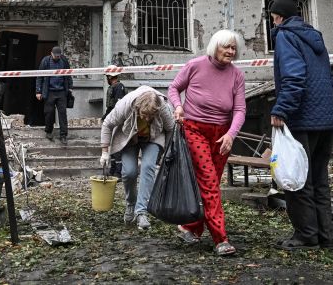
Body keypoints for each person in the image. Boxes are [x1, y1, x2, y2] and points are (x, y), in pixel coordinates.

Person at [269, 0, 333, 250]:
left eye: (274, 17)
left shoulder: (286, 36)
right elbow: (331, 82)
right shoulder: (314, 37)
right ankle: (326, 236)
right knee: (320, 180)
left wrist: (281, 108)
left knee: (297, 179)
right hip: (325, 119)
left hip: (302, 118)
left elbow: (294, 76)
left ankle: (306, 236)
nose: (273, 21)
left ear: (280, 17)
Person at [168, 29, 246, 257]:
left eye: (234, 48)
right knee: (210, 182)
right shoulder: (195, 65)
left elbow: (240, 109)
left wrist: (231, 134)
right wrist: (178, 106)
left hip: (222, 135)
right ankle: (221, 239)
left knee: (209, 183)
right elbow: (173, 88)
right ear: (215, 47)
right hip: (195, 130)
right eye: (227, 47)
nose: (231, 51)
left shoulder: (237, 75)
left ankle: (190, 227)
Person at [99, 86, 174, 230]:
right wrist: (104, 151)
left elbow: (170, 128)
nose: (146, 118)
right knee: (129, 172)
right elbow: (107, 124)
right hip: (129, 137)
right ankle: (131, 204)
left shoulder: (162, 107)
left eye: (150, 116)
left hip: (153, 137)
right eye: (144, 115)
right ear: (137, 107)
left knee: (148, 167)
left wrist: (167, 151)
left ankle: (141, 212)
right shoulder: (125, 105)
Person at [35, 45, 72, 144]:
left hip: (61, 92)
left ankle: (63, 135)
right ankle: (49, 131)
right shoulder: (45, 61)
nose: (57, 57)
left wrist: (70, 87)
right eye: (55, 56)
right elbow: (39, 76)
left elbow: (68, 74)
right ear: (51, 53)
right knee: (49, 113)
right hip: (49, 91)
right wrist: (38, 91)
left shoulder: (64, 61)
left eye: (58, 56)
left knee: (62, 114)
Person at [103, 72, 127, 177]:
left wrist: (109, 116)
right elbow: (110, 106)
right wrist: (106, 116)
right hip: (113, 118)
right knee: (112, 146)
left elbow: (118, 106)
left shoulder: (119, 87)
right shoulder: (113, 87)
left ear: (110, 77)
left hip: (118, 120)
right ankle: (113, 170)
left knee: (117, 146)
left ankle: (118, 172)